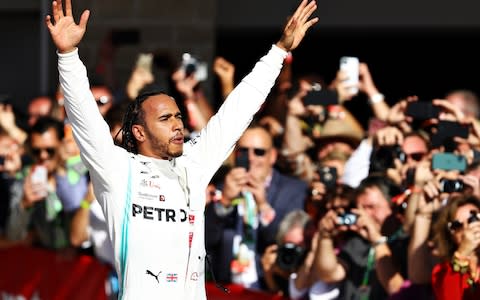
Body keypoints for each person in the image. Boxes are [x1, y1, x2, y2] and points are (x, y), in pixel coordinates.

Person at [45, 0, 318, 299]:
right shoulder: (117, 169)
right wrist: (68, 55)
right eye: (165, 118)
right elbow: (85, 117)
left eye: (178, 116)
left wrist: (279, 50)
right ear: (138, 131)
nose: (177, 125)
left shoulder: (194, 163)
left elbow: (237, 112)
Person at [205, 125, 308, 289]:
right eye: (244, 151)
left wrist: (263, 205)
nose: (251, 158)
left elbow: (287, 246)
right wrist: (224, 202)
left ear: (272, 156)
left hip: (268, 290)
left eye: (259, 152)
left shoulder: (294, 191)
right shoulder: (221, 188)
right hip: (225, 290)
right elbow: (205, 241)